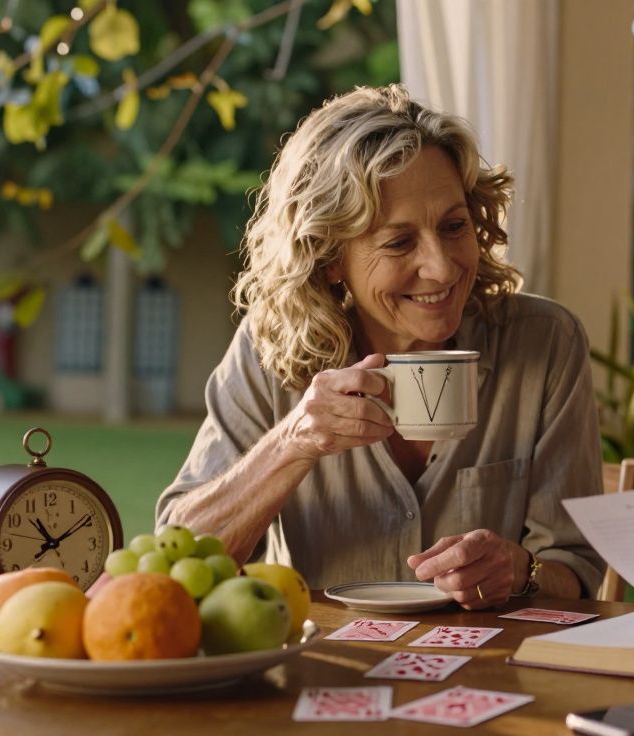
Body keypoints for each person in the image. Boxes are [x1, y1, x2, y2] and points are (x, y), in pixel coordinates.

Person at [156, 85, 604, 609]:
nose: (441, 267)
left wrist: (519, 570)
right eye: (399, 242)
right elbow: (174, 563)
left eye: (454, 226)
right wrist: (294, 444)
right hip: (325, 671)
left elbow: (574, 569)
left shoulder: (545, 343)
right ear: (329, 257)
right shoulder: (268, 350)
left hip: (487, 673)